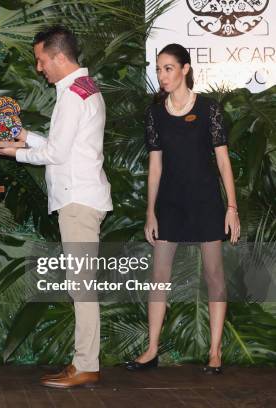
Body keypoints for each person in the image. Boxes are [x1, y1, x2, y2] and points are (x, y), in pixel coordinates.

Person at [0, 25, 112, 388]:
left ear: (58, 57)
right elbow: (65, 147)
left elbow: (55, 154)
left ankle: (86, 364)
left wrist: (10, 150)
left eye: (41, 61)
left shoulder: (73, 94)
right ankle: (82, 362)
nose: (39, 68)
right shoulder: (83, 88)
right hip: (83, 196)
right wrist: (23, 137)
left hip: (78, 199)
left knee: (81, 285)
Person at [125, 43, 240, 375]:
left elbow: (222, 160)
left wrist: (231, 207)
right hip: (170, 204)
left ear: (185, 69)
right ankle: (151, 349)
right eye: (159, 69)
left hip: (206, 202)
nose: (162, 75)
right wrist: (151, 212)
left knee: (214, 276)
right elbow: (155, 167)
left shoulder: (209, 109)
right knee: (158, 278)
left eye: (168, 68)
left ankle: (215, 352)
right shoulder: (155, 113)